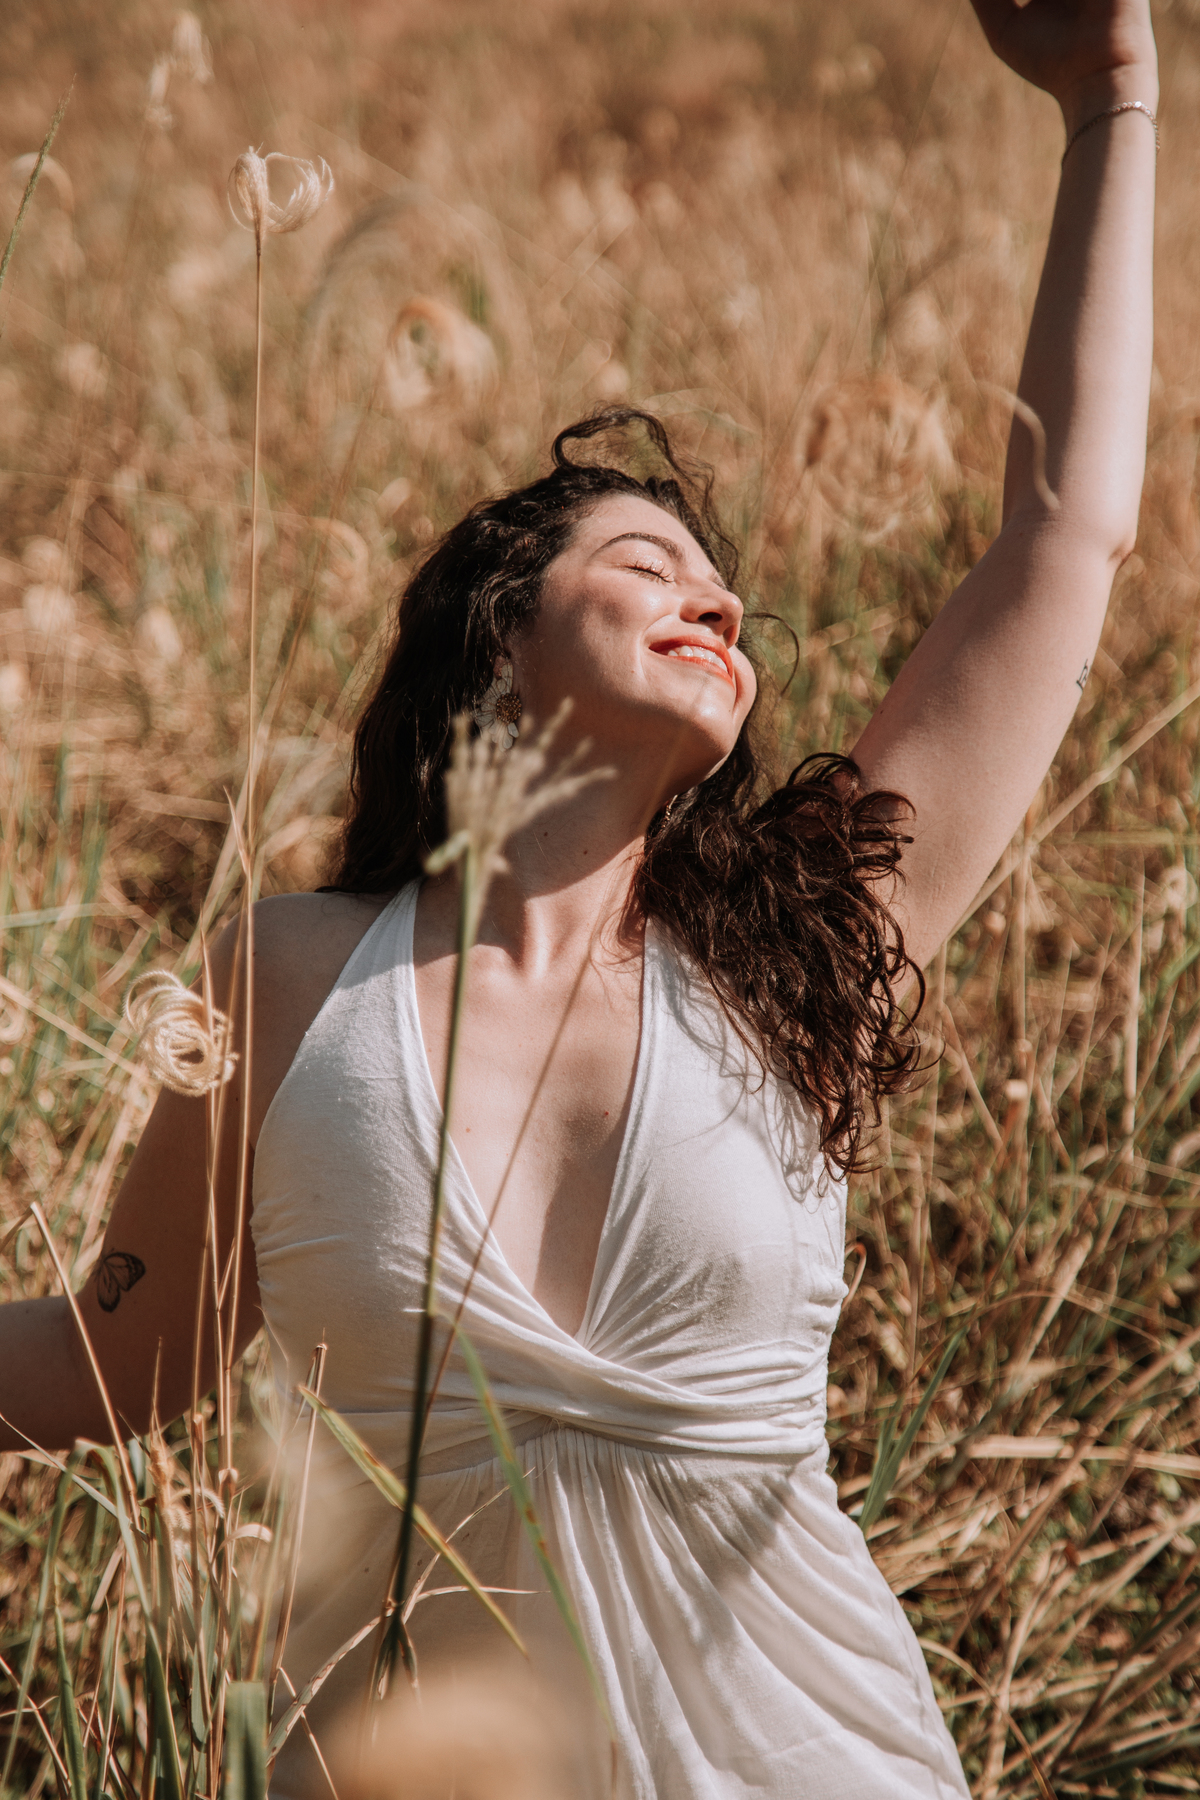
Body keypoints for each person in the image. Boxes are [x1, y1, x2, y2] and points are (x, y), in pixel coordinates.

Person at [0, 1, 1158, 1794]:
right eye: (647, 567)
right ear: (497, 644)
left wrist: (1113, 98)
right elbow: (111, 1363)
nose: (721, 611)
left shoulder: (798, 962)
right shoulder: (292, 974)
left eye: (732, 604)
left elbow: (1060, 538)